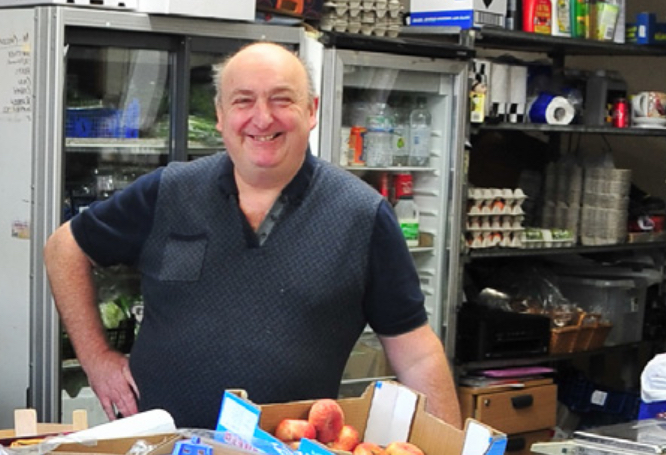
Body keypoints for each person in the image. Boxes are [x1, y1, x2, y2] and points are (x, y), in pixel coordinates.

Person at [43, 41, 462, 429]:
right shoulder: (169, 191)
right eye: (244, 101)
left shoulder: (361, 214)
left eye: (282, 99)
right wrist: (97, 358)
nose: (262, 118)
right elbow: (64, 248)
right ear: (221, 115)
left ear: (312, 110)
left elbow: (417, 352)